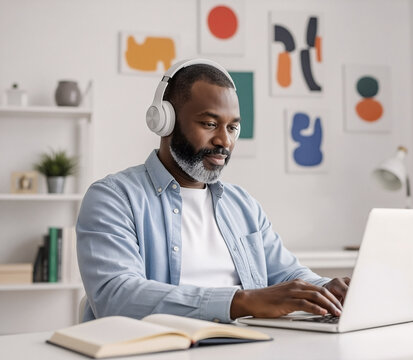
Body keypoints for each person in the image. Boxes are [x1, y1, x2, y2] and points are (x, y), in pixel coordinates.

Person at [77, 58, 351, 323]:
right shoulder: (113, 198)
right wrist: (241, 302)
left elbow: (287, 274)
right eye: (209, 124)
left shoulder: (242, 204)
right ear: (165, 122)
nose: (224, 141)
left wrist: (327, 289)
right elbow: (116, 296)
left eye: (232, 127)